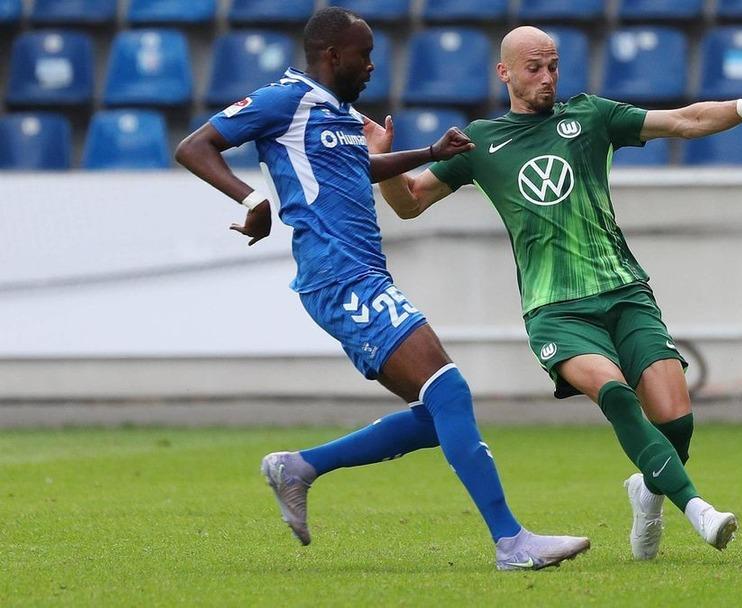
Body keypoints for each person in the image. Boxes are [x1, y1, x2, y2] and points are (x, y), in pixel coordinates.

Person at [174, 8, 589, 571]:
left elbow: (355, 170)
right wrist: (252, 200)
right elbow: (195, 146)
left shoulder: (337, 112)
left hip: (362, 272)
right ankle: (511, 542)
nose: (373, 66)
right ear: (332, 56)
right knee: (450, 390)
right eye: (364, 55)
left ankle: (298, 467)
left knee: (433, 412)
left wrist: (428, 155)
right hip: (338, 274)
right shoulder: (283, 100)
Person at [374, 26, 742, 560]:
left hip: (625, 291)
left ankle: (646, 490)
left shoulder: (592, 116)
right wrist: (386, 163)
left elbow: (684, 121)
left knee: (678, 422)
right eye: (534, 67)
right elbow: (410, 202)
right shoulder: (480, 142)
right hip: (555, 309)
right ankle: (699, 511)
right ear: (504, 72)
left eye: (554, 66)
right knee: (616, 393)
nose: (548, 77)